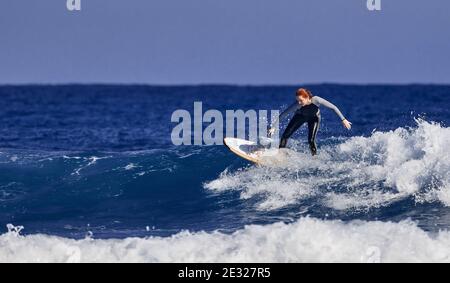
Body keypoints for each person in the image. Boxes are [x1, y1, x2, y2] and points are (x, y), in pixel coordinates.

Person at [268, 88, 352, 155]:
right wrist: (273, 127)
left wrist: (343, 119)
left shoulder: (316, 100)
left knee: (311, 140)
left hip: (314, 118)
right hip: (300, 117)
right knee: (285, 136)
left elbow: (333, 107)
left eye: (301, 100)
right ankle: (280, 155)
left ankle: (314, 157)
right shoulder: (297, 105)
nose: (299, 103)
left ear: (307, 97)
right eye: (297, 100)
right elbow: (283, 114)